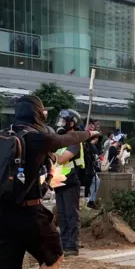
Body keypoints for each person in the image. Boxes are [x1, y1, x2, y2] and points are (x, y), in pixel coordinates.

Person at [0, 95, 95, 269]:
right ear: (37, 113)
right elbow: (64, 141)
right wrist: (86, 134)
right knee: (55, 258)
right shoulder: (35, 137)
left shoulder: (1, 136)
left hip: (0, 213)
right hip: (29, 213)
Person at [54, 108, 86, 258]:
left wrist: (48, 150)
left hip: (70, 182)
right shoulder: (62, 141)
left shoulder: (74, 141)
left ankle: (72, 245)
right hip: (59, 182)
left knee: (71, 214)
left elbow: (61, 159)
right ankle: (64, 242)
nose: (60, 124)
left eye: (63, 121)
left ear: (72, 123)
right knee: (61, 214)